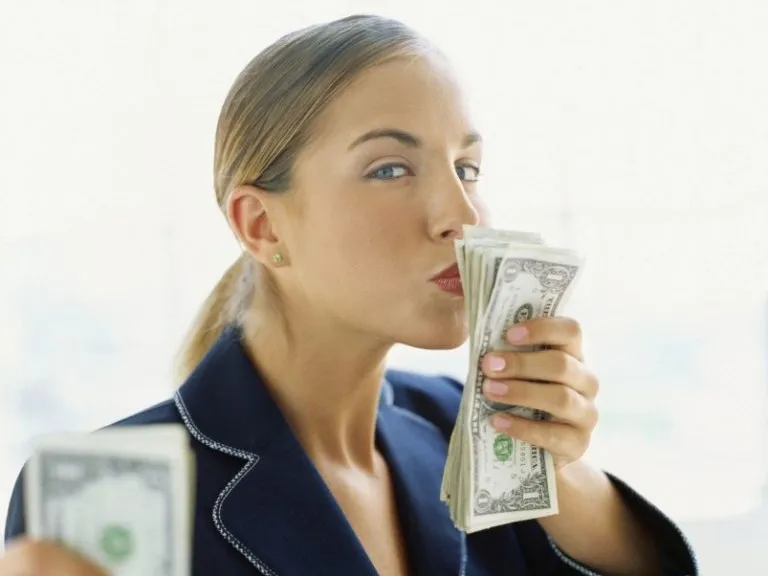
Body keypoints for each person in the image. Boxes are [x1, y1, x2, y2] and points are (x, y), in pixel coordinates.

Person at [2, 14, 697, 576]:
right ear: (262, 223)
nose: (462, 215)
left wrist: (562, 472)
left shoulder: (463, 422)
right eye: (390, 167)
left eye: (467, 167)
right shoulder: (111, 496)